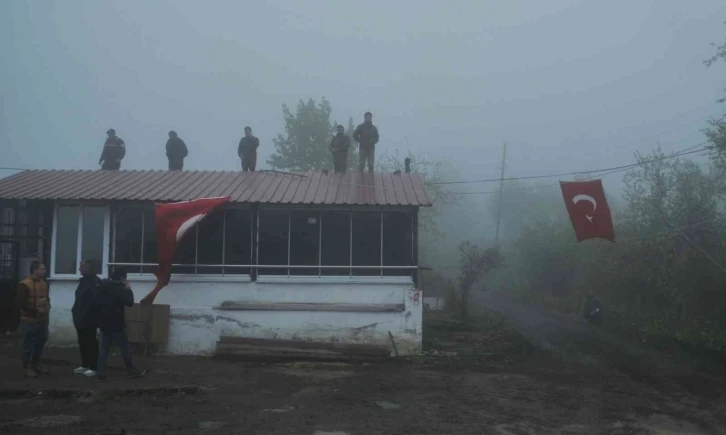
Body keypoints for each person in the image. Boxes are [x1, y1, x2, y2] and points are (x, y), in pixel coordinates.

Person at [94, 268, 145, 379]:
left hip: (103, 323)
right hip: (116, 324)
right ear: (122, 278)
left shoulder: (103, 286)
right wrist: (128, 289)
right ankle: (131, 370)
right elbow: (130, 302)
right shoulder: (119, 289)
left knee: (104, 348)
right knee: (124, 348)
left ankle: (99, 372)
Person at [16, 261, 50, 378]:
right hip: (29, 320)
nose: (45, 271)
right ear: (35, 270)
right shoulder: (24, 284)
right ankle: (27, 367)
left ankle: (36, 364)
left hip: (42, 320)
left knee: (40, 343)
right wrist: (35, 312)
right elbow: (20, 303)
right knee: (28, 344)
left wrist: (47, 308)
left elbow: (46, 299)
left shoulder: (44, 283)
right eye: (42, 269)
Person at [71, 260, 102, 377]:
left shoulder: (95, 282)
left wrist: (88, 314)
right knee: (83, 342)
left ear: (89, 268)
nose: (79, 269)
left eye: (82, 267)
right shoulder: (83, 281)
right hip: (80, 318)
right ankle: (85, 365)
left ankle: (94, 367)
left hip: (90, 319)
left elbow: (95, 302)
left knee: (91, 343)